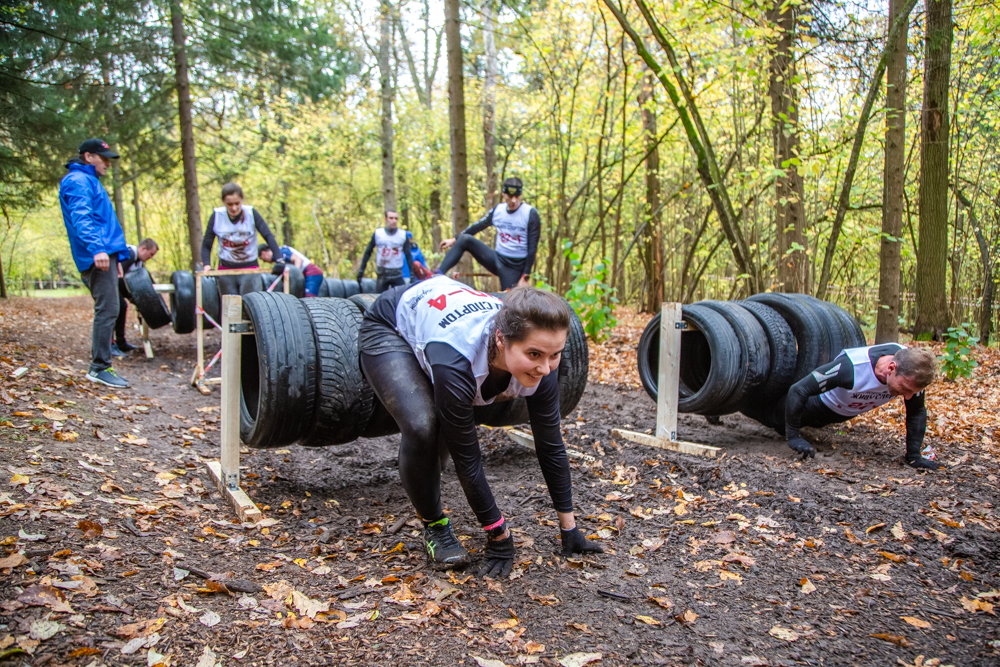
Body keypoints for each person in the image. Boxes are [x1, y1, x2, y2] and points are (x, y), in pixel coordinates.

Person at [359, 275, 602, 575]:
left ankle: (430, 471)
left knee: (453, 415)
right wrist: (499, 536)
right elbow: (469, 461)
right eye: (534, 354)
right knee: (423, 426)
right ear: (501, 339)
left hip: (444, 314)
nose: (545, 367)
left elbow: (550, 445)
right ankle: (435, 526)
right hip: (390, 321)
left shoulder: (543, 362)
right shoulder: (456, 361)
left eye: (555, 355)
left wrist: (570, 529)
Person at [780, 344, 942, 469]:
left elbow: (917, 411)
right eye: (905, 389)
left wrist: (914, 456)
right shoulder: (852, 367)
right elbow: (799, 389)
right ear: (891, 368)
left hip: (841, 413)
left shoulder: (914, 367)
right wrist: (794, 436)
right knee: (775, 419)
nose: (907, 397)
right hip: (816, 406)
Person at [58, 138, 130, 389]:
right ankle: (99, 367)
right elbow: (82, 218)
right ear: (88, 156)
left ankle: (102, 365)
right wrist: (98, 249)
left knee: (113, 306)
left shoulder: (89, 181)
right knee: (109, 308)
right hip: (95, 255)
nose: (107, 163)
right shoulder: (78, 181)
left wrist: (117, 256)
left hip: (105, 255)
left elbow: (103, 222)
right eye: (104, 158)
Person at [436, 177, 540, 290]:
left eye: (517, 196)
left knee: (510, 300)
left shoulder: (530, 213)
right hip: (497, 259)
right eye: (510, 197)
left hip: (515, 266)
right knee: (465, 239)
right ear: (504, 194)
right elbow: (478, 226)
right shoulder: (498, 210)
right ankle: (436, 276)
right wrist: (454, 240)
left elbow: (532, 247)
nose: (514, 200)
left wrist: (525, 276)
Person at [201, 183, 281, 296]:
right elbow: (207, 243)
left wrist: (279, 259)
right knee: (230, 309)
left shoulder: (251, 213)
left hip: (250, 268)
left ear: (242, 200)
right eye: (229, 204)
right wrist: (206, 265)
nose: (234, 208)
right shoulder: (217, 216)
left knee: (251, 304)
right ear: (224, 202)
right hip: (226, 269)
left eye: (237, 203)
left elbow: (267, 235)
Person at [113, 238, 159, 356]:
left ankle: (121, 342)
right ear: (143, 248)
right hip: (109, 283)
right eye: (151, 254)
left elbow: (147, 281)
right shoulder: (129, 254)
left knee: (122, 306)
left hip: (115, 284)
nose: (151, 257)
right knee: (116, 307)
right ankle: (111, 344)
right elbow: (119, 277)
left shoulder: (138, 262)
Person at [357, 210, 416, 292]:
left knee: (400, 297)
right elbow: (368, 252)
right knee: (379, 298)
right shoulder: (378, 234)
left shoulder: (402, 235)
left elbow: (408, 255)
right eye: (391, 218)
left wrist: (411, 274)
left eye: (396, 218)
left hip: (397, 273)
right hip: (382, 273)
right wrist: (361, 270)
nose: (394, 221)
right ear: (385, 219)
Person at [258, 244, 324, 297]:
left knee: (309, 298)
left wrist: (296, 276)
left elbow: (298, 259)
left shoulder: (281, 251)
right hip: (305, 274)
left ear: (263, 253)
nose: (264, 261)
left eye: (262, 259)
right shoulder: (278, 257)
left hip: (311, 273)